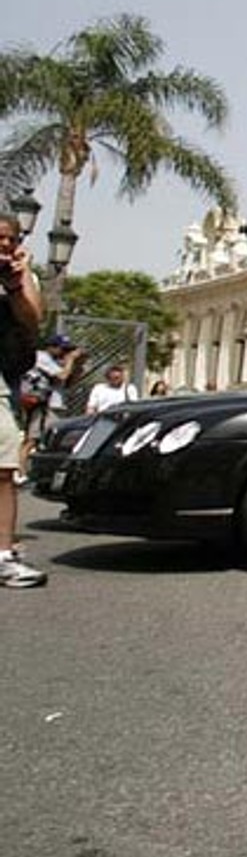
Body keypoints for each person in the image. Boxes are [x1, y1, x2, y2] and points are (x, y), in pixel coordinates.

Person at [0, 210, 47, 587]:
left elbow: (32, 321)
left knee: (4, 465)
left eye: (10, 239)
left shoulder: (18, 277)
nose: (5, 244)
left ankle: (2, 554)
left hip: (4, 377)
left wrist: (15, 284)